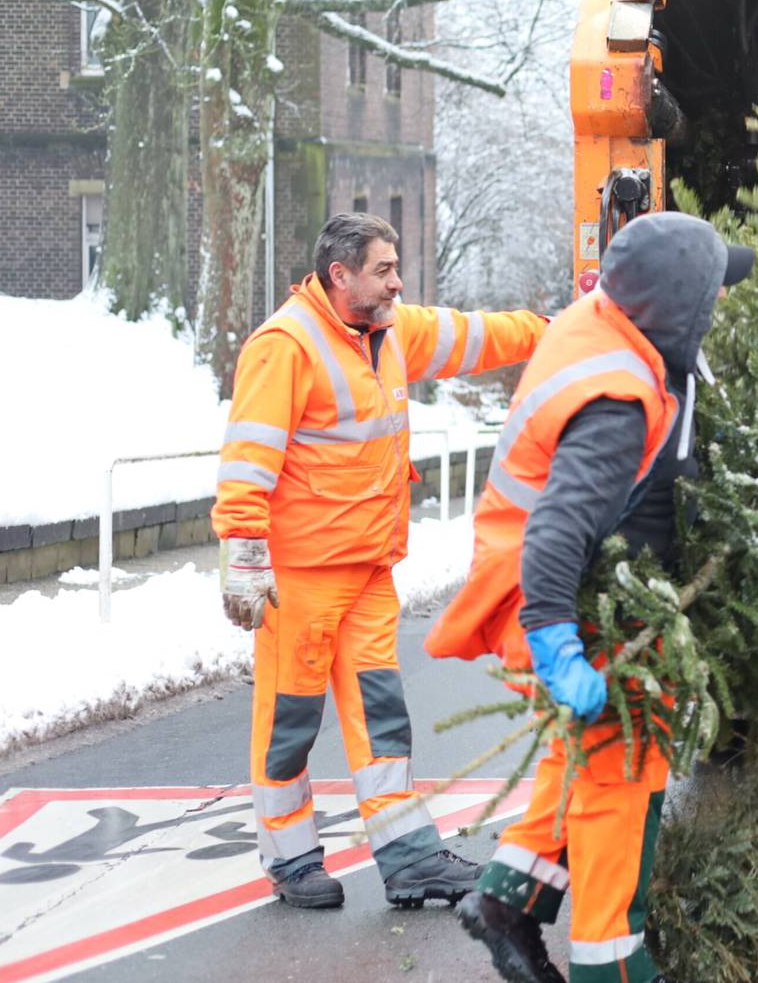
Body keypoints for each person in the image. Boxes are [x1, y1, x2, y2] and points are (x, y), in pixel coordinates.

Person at [427, 211, 753, 983]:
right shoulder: (617, 400)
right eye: (710, 297)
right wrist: (555, 639)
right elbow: (557, 528)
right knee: (620, 775)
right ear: (677, 308)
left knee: (582, 759)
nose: (718, 310)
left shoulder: (610, 323)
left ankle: (507, 899)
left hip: (601, 588)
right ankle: (613, 962)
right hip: (573, 601)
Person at [213, 213, 549, 910]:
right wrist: (244, 552)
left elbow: (476, 335)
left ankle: (411, 858)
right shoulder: (286, 345)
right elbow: (248, 456)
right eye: (384, 269)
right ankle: (291, 855)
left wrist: (558, 328)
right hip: (301, 580)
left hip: (369, 569)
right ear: (341, 275)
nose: (399, 281)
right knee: (290, 721)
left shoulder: (392, 332)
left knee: (383, 719)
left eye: (397, 268)